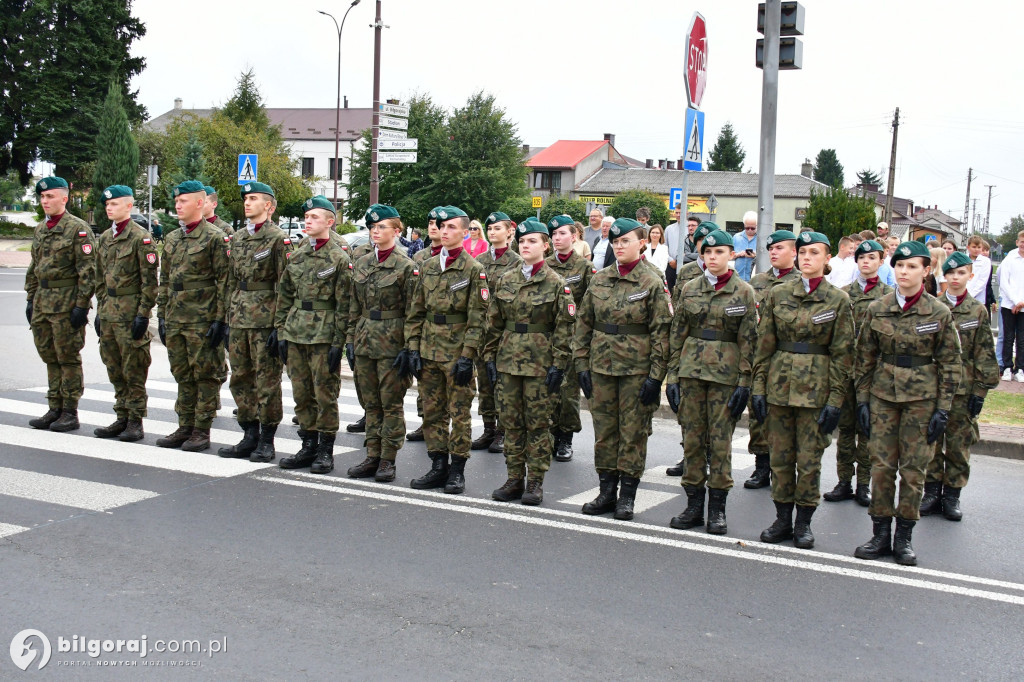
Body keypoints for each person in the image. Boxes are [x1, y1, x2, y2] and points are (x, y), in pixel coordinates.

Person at [853, 240, 962, 566]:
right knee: (882, 469)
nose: (904, 271)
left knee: (914, 472)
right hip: (883, 398)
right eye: (900, 265)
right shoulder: (878, 307)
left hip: (921, 401)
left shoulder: (939, 312)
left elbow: (950, 364)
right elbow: (864, 358)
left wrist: (943, 408)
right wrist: (862, 400)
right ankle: (880, 534)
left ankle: (904, 538)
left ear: (926, 271)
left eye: (912, 266)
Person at [751, 231, 855, 549]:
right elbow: (764, 345)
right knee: (781, 458)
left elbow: (843, 355)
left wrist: (836, 400)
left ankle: (804, 524)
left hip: (816, 393)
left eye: (815, 253)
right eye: (804, 252)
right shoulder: (778, 294)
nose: (807, 258)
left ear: (827, 259)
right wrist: (758, 388)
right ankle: (782, 519)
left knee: (809, 462)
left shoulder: (838, 300)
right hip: (779, 389)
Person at [573, 218, 672, 520]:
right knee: (604, 432)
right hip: (601, 369)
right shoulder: (600, 279)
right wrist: (581, 366)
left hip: (636, 372)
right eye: (615, 242)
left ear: (642, 242)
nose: (619, 246)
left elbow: (662, 333)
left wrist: (656, 377)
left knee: (632, 434)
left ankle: (627, 495)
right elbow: (584, 324)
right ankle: (606, 492)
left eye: (625, 241)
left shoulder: (652, 281)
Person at [665, 229, 757, 534]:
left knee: (720, 444)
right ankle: (693, 506)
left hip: (724, 379)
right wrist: (673, 377)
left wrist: (745, 382)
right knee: (692, 441)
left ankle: (717, 510)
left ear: (731, 255)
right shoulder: (689, 288)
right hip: (691, 374)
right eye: (708, 253)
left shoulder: (743, 292)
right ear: (702, 256)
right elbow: (677, 333)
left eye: (719, 252)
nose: (713, 257)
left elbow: (749, 340)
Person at [485, 218, 575, 505]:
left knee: (537, 424)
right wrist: (489, 356)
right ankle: (514, 478)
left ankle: (535, 482)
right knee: (511, 422)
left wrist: (558, 365)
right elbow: (494, 322)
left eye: (532, 241)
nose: (525, 245)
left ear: (545, 246)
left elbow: (565, 329)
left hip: (540, 364)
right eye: (522, 241)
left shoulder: (556, 284)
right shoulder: (507, 279)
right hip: (509, 361)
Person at [405, 205, 489, 494]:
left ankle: (457, 471)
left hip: (456, 354)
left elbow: (478, 319)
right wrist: (413, 348)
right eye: (442, 226)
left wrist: (468, 357)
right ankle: (437, 465)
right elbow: (415, 311)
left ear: (465, 233)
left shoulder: (474, 269)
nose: (445, 231)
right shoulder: (426, 266)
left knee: (460, 413)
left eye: (452, 227)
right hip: (429, 349)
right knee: (431, 412)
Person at [275, 195, 352, 473]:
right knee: (302, 393)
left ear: (330, 222)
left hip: (323, 333)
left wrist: (339, 343)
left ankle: (325, 450)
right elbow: (284, 295)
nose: (308, 221)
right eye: (306, 218)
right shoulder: (297, 254)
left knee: (324, 394)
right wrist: (281, 331)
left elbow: (345, 304)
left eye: (315, 218)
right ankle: (307, 445)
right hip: (296, 332)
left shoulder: (339, 257)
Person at [920, 251, 999, 521]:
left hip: (963, 388)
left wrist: (981, 391)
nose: (955, 278)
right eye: (951, 273)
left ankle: (952, 496)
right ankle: (931, 493)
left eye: (961, 273)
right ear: (945, 276)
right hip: (934, 384)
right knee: (931, 441)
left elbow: (985, 352)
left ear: (970, 276)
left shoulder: (977, 310)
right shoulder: (931, 306)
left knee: (958, 444)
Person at [216, 182, 291, 461]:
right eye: (246, 198)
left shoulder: (278, 239)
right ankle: (249, 434)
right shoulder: (237, 238)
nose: (247, 203)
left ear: (269, 206)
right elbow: (230, 282)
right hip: (238, 317)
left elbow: (286, 285)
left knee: (267, 381)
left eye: (254, 198)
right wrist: (226, 319)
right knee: (241, 378)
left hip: (265, 319)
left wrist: (279, 327)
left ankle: (267, 439)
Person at [344, 204, 419, 482]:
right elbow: (354, 305)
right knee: (371, 404)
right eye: (372, 227)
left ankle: (388, 459)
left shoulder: (406, 267)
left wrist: (408, 348)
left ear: (397, 231)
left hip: (391, 342)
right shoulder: (362, 263)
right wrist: (350, 339)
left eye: (382, 227)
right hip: (365, 339)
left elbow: (413, 312)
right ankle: (372, 454)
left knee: (390, 404)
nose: (376, 231)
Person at [155, 181, 229, 451]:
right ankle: (184, 425)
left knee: (205, 375)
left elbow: (224, 281)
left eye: (183, 201)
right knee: (182, 373)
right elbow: (165, 281)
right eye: (176, 201)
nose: (177, 205)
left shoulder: (215, 238)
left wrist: (221, 320)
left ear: (200, 203)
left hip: (202, 318)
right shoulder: (173, 238)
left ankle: (201, 430)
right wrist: (161, 315)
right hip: (176, 316)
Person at [25, 177, 97, 432]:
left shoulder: (77, 229)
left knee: (67, 357)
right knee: (49, 356)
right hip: (43, 303)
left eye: (50, 197)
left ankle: (70, 411)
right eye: (42, 197)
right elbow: (34, 267)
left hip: (66, 304)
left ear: (64, 198)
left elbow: (88, 271)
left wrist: (81, 305)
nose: (45, 201)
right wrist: (30, 298)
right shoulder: (40, 229)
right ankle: (54, 406)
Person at [825, 239, 892, 506]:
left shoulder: (888, 296)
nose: (866, 262)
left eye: (872, 258)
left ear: (880, 261)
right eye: (862, 257)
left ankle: (864, 483)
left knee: (867, 430)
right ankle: (844, 481)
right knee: (845, 428)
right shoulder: (843, 294)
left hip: (871, 374)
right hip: (844, 371)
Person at [92, 185, 157, 442]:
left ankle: (135, 421)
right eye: (107, 204)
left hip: (130, 314)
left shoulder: (140, 238)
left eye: (114, 204)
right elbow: (100, 277)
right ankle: (121, 416)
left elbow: (149, 281)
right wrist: (100, 309)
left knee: (134, 368)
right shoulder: (105, 238)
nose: (109, 208)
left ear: (128, 206)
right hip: (109, 313)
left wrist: (143, 314)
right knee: (114, 366)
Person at [740, 230, 802, 488]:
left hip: (789, 361)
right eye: (771, 249)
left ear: (794, 252)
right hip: (760, 359)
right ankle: (761, 466)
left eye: (780, 248)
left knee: (791, 417)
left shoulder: (802, 284)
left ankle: (788, 468)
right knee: (759, 413)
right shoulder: (757, 284)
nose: (774, 253)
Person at [664, 221, 718, 477]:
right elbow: (677, 309)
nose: (705, 249)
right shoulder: (685, 272)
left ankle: (708, 457)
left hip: (716, 353)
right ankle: (689, 455)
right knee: (688, 410)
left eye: (709, 244)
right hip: (689, 349)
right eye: (700, 244)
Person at [471, 211, 523, 453]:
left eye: (497, 228)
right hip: (483, 331)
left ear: (509, 232)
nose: (492, 232)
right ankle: (488, 428)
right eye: (489, 228)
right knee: (485, 381)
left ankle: (503, 431)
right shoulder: (480, 260)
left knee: (503, 382)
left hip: (504, 332)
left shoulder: (517, 262)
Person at [546, 214, 595, 462]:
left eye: (562, 233)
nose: (557, 238)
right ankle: (550, 434)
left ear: (574, 237)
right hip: (547, 338)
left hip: (573, 339)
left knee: (568, 392)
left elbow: (590, 307)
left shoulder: (585, 268)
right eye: (553, 234)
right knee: (548, 389)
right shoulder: (544, 265)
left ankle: (566, 437)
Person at [406, 208, 446, 443]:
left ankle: (441, 424)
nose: (433, 228)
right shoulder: (420, 257)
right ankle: (425, 422)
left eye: (438, 224)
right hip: (426, 328)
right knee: (425, 383)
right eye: (430, 223)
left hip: (449, 332)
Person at [998, 230, 1024, 382]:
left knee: (1022, 339)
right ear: (1017, 242)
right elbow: (1004, 282)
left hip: (1023, 306)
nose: (1023, 245)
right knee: (1008, 337)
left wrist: (1022, 302)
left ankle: (1020, 368)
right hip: (1009, 305)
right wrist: (1015, 301)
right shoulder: (1010, 258)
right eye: (1021, 241)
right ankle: (1007, 367)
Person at [731, 212, 758, 282]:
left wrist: (756, 256)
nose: (749, 230)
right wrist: (739, 254)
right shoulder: (736, 237)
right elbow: (728, 256)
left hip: (755, 280)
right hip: (738, 279)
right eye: (747, 228)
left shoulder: (761, 239)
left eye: (753, 228)